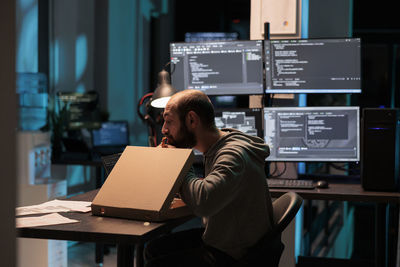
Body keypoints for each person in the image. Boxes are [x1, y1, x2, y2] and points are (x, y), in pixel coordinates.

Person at [144, 89, 277, 267]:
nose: (164, 130)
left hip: (236, 254)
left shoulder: (232, 155)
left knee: (156, 261)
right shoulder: (218, 147)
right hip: (225, 238)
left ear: (192, 120)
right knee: (154, 248)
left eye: (169, 121)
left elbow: (203, 202)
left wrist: (179, 164)